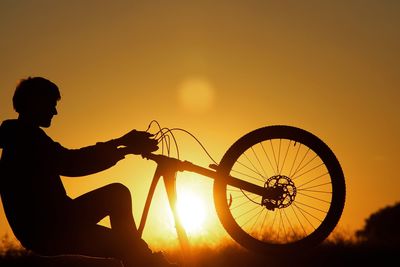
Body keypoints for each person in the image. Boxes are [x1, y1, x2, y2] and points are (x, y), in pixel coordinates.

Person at [0, 77, 177, 267]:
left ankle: (144, 260)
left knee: (125, 244)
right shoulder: (24, 137)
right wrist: (123, 145)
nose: (55, 111)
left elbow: (69, 161)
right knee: (117, 195)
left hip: (51, 228)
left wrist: (123, 145)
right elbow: (72, 163)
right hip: (53, 228)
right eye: (51, 104)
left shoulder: (20, 137)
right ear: (35, 102)